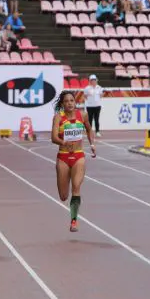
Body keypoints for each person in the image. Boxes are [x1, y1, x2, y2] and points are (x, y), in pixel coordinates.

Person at [51, 90, 96, 233]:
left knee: (76, 187)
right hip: (63, 157)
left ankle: (74, 221)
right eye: (66, 101)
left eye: (72, 100)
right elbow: (53, 138)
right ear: (62, 104)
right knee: (63, 196)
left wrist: (92, 144)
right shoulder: (58, 117)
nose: (70, 103)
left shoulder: (82, 115)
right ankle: (70, 205)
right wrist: (63, 141)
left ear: (75, 102)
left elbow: (89, 129)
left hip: (78, 156)